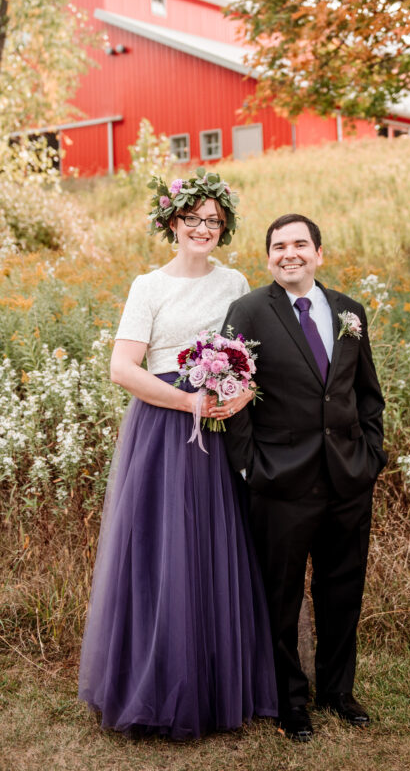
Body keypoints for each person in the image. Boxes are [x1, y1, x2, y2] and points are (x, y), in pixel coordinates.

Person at [78, 171, 277, 740]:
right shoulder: (149, 286)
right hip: (164, 432)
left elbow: (248, 352)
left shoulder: (235, 281)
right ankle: (158, 683)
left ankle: (222, 683)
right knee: (166, 552)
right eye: (193, 219)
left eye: (214, 221)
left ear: (224, 228)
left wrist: (237, 392)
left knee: (218, 547)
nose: (203, 229)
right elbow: (122, 369)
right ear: (172, 222)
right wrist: (188, 400)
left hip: (218, 433)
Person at [222, 213, 387, 742]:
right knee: (281, 595)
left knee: (343, 589)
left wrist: (372, 454)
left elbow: (367, 392)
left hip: (348, 477)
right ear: (267, 257)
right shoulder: (247, 311)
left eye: (299, 244)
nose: (288, 253)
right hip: (281, 481)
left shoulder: (349, 311)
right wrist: (249, 465)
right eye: (278, 246)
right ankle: (289, 701)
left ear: (318, 253)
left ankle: (337, 691)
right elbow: (230, 397)